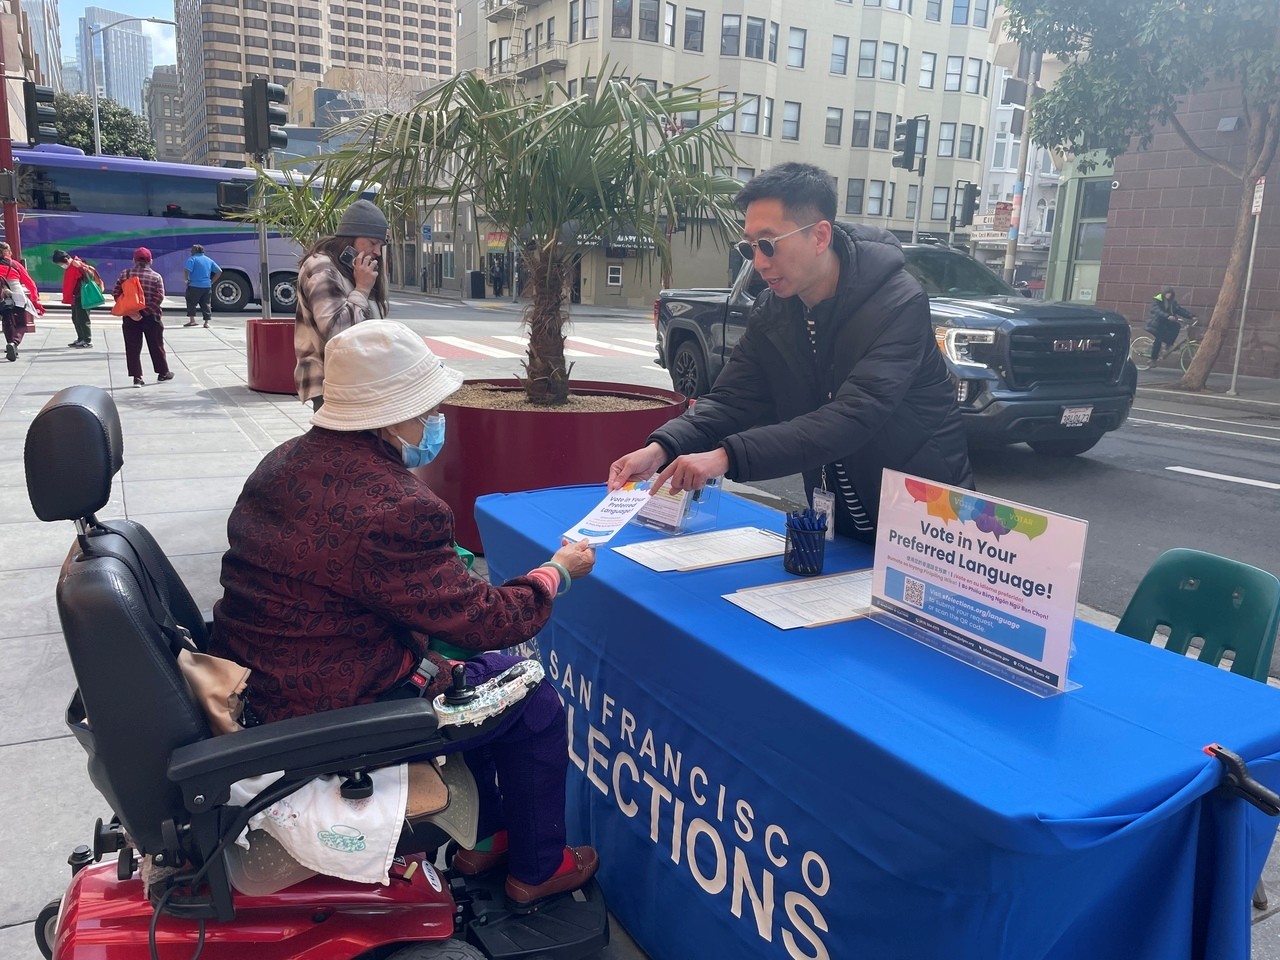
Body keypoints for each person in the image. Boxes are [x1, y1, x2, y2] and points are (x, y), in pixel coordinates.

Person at [211, 319, 600, 909]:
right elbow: (488, 620)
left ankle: (488, 838)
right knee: (533, 698)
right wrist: (556, 573)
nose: (435, 420)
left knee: (482, 675)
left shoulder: (281, 462)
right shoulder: (400, 506)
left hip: (266, 680)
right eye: (428, 408)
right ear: (393, 415)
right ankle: (539, 868)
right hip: (338, 706)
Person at [608, 162, 973, 544]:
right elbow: (732, 399)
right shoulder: (775, 310)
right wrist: (662, 447)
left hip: (927, 519)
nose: (759, 262)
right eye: (749, 247)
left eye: (769, 244)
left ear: (819, 236)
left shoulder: (898, 303)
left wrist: (726, 457)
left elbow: (853, 415)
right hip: (837, 515)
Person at [295, 198, 389, 412]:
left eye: (380, 245)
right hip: (332, 382)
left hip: (357, 380)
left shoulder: (353, 271)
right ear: (350, 240)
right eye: (372, 243)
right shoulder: (322, 268)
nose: (377, 252)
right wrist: (363, 289)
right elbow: (339, 332)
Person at [112, 246, 173, 387]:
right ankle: (163, 373)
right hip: (152, 317)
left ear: (134, 260)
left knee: (132, 347)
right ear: (150, 261)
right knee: (156, 345)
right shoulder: (156, 277)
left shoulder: (125, 274)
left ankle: (137, 377)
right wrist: (144, 312)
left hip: (130, 317)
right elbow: (159, 298)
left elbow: (116, 293)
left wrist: (132, 312)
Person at [0, 242, 45, 362]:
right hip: (16, 294)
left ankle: (11, 344)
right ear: (8, 252)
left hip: (2, 296)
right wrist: (35, 299)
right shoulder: (14, 264)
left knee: (7, 321)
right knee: (22, 323)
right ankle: (14, 343)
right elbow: (29, 282)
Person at [51, 249, 101, 349]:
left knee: (83, 319)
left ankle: (87, 340)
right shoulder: (70, 267)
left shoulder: (78, 265)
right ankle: (80, 338)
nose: (61, 266)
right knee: (76, 318)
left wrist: (80, 267)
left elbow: (89, 275)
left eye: (61, 263)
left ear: (66, 259)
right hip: (75, 297)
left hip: (82, 296)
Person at [1145, 286, 1194, 363]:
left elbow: (1179, 310)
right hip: (1156, 323)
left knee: (1176, 326)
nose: (1169, 295)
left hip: (1165, 323)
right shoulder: (1157, 300)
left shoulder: (1172, 302)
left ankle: (1169, 344)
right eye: (1167, 294)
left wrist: (1191, 316)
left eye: (1170, 294)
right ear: (1164, 294)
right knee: (1159, 339)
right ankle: (1152, 359)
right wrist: (1167, 316)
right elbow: (1157, 311)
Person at [182, 243, 222, 328]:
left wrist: (186, 280)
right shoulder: (209, 260)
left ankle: (192, 321)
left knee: (191, 303)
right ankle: (206, 322)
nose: (191, 251)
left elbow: (186, 270)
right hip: (207, 286)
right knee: (206, 304)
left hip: (194, 285)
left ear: (194, 251)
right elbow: (219, 271)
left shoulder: (192, 259)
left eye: (192, 250)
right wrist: (211, 281)